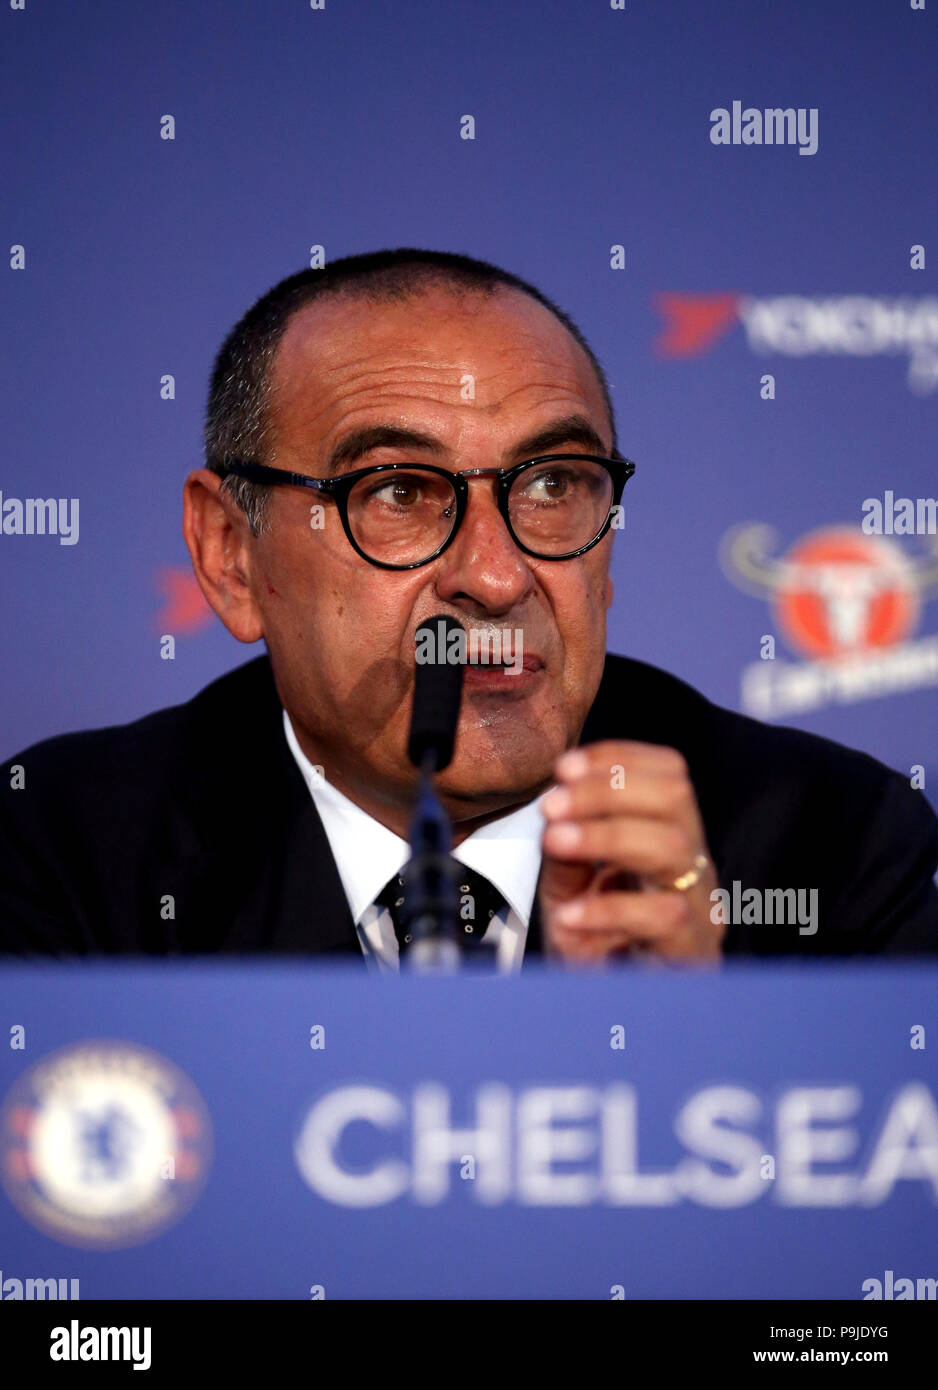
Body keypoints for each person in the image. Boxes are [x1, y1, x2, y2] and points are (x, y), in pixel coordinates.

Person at [1, 248, 936, 965]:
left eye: (552, 485)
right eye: (399, 492)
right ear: (231, 556)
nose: (494, 577)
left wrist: (685, 1050)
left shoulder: (838, 844)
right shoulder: (59, 852)